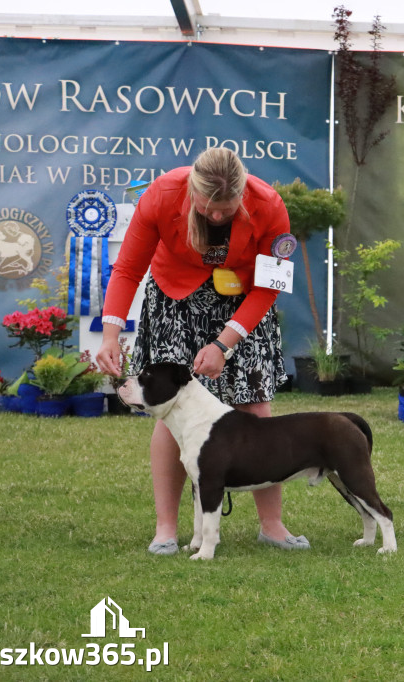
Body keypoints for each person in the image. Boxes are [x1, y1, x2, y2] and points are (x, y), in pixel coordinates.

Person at [96, 147, 307, 555]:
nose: (215, 217)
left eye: (226, 210)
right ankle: (166, 529)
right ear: (191, 190)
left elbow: (270, 284)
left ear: (243, 195)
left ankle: (273, 525)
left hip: (244, 303)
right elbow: (126, 269)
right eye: (207, 207)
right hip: (174, 300)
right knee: (169, 409)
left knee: (255, 408)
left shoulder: (269, 205)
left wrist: (224, 343)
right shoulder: (160, 195)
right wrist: (110, 334)